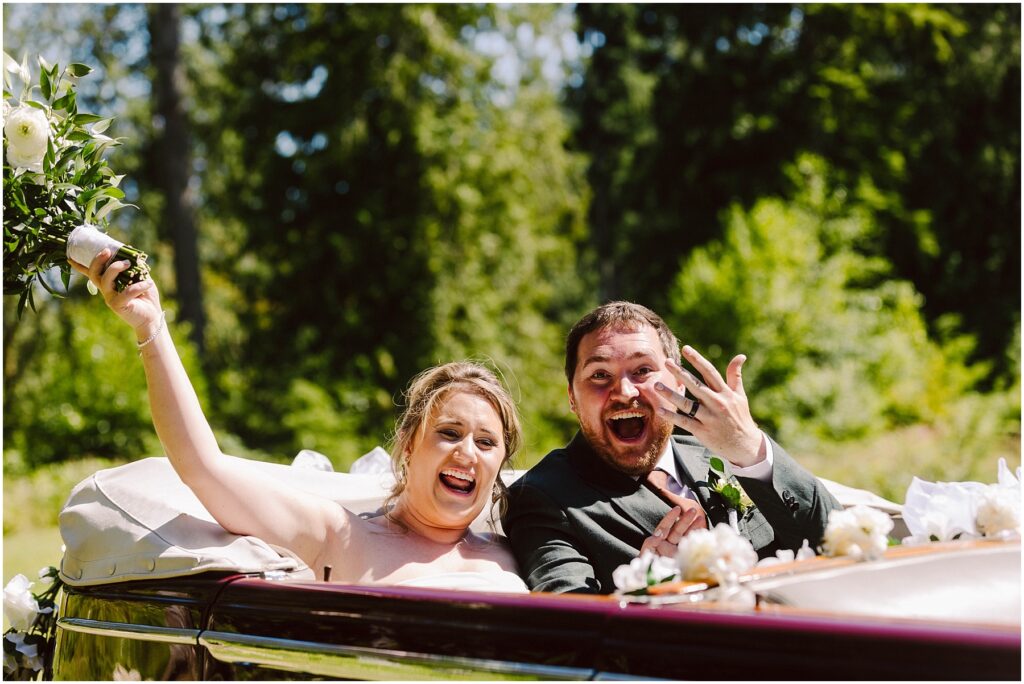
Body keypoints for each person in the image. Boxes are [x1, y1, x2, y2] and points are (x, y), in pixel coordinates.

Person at [71, 250, 528, 593]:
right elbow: (202, 466)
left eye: (486, 442)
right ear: (408, 445)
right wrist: (152, 327)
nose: (466, 452)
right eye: (449, 433)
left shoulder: (517, 547)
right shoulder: (341, 534)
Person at [502, 301, 841, 594]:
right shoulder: (540, 498)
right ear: (572, 399)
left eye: (643, 370)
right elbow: (570, 629)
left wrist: (750, 448)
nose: (624, 391)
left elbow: (841, 542)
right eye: (600, 375)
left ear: (678, 383)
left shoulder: (726, 453)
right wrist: (649, 584)